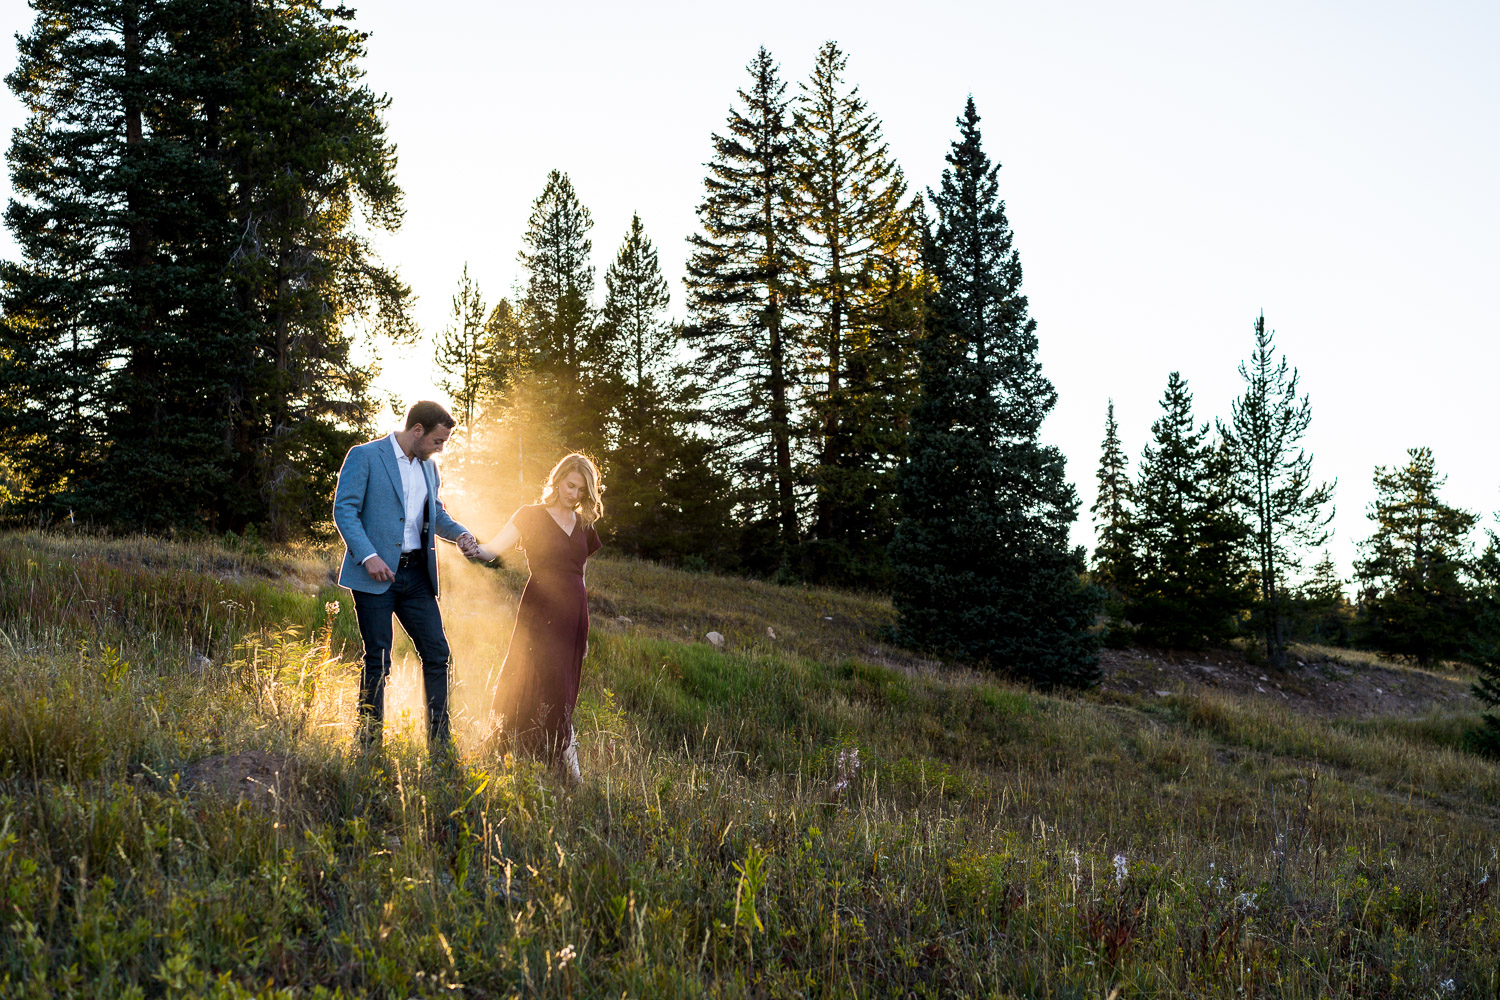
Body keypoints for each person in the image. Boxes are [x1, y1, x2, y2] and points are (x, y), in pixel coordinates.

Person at [332, 400, 480, 755]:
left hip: (416, 576)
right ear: (417, 430)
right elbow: (345, 510)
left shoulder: (430, 468)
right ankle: (369, 746)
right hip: (375, 576)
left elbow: (436, 513)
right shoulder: (365, 456)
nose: (440, 448)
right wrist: (368, 556)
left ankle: (440, 745)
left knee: (437, 653)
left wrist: (460, 533)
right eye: (437, 441)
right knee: (378, 658)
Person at [472, 453, 604, 784]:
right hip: (540, 609)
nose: (574, 494)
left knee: (564, 690)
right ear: (557, 480)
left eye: (581, 490)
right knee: (523, 677)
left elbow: (582, 575)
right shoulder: (530, 515)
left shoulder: (585, 526)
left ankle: (559, 765)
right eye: (570, 485)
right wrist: (470, 546)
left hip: (574, 614)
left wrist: (584, 632)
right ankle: (562, 770)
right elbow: (492, 550)